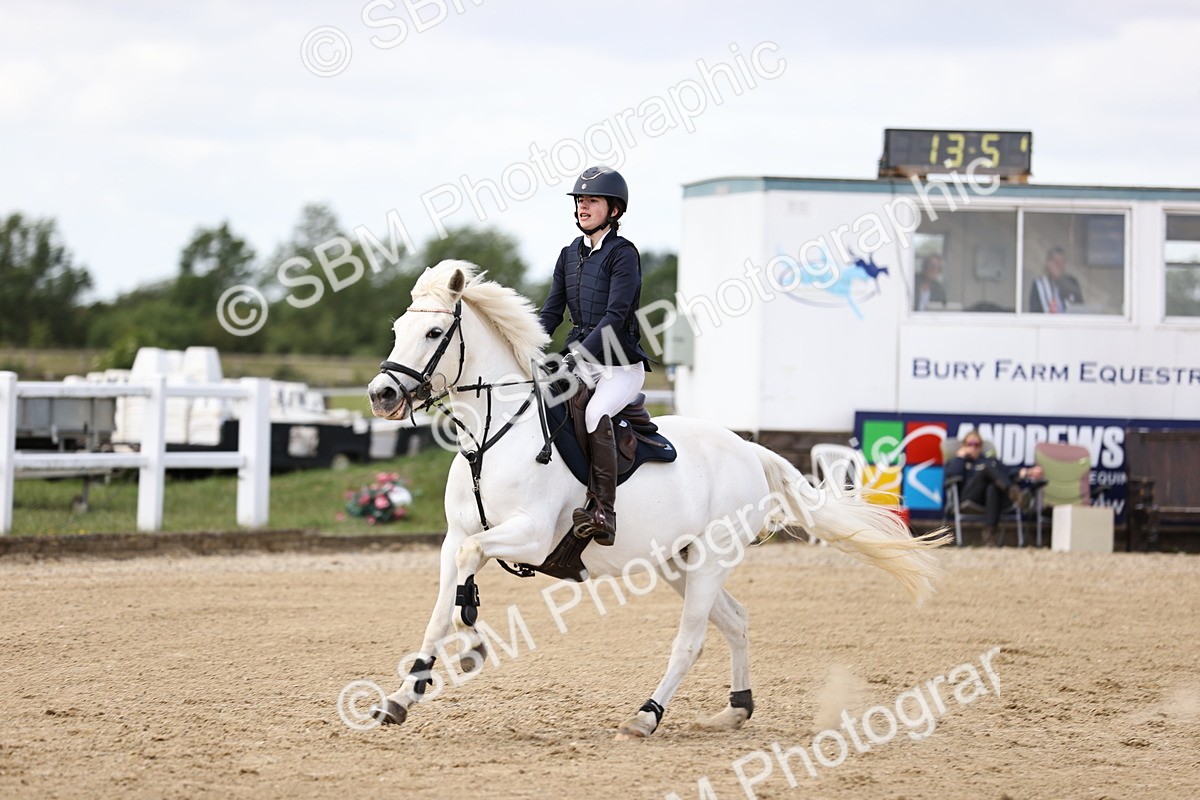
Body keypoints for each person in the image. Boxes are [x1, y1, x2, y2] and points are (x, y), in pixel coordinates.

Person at [539, 166, 649, 547]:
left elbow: (615, 317)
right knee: (540, 403)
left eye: (592, 201)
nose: (584, 207)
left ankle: (604, 510)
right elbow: (552, 312)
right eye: (580, 201)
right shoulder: (568, 254)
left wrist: (578, 356)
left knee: (593, 413)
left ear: (614, 210)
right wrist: (525, 346)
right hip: (580, 359)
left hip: (619, 365)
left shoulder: (624, 254)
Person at [944, 431, 1043, 547]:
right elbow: (951, 476)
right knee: (987, 469)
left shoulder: (990, 460)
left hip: (990, 499)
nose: (973, 447)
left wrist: (1027, 472)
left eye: (977, 444)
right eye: (970, 443)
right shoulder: (958, 461)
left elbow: (1007, 472)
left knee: (993, 487)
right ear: (964, 445)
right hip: (969, 496)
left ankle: (989, 534)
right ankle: (1016, 495)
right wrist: (960, 457)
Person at [1029, 247, 1084, 313]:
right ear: (1048, 264)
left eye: (1062, 262)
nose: (1059, 265)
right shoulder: (1039, 284)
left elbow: (1080, 307)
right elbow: (1034, 312)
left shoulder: (1072, 282)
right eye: (1056, 261)